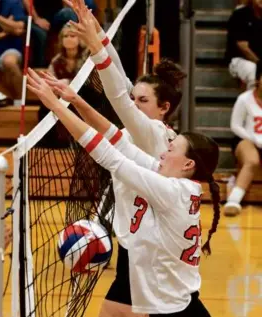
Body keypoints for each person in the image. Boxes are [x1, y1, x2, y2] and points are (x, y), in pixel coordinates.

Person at [27, 67, 220, 317]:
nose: (163, 152)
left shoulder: (171, 190)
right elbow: (117, 142)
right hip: (177, 302)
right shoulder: (174, 181)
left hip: (171, 309)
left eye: (171, 150)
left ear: (188, 164)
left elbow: (109, 156)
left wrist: (57, 107)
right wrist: (73, 100)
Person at [41, 1, 185, 316]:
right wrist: (97, 36)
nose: (135, 105)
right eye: (136, 98)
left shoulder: (153, 134)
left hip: (149, 252)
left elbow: (117, 93)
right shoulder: (140, 135)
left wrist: (95, 45)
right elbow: (116, 99)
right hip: (135, 246)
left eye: (143, 101)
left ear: (164, 108)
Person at [224, 61, 262, 216]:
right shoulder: (244, 99)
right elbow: (235, 126)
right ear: (258, 78)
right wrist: (255, 139)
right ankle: (233, 200)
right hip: (245, 139)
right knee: (252, 160)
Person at [23, 0, 96, 67]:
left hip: (55, 15)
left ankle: (80, 58)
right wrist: (37, 19)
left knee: (69, 13)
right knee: (41, 35)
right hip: (35, 18)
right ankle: (40, 68)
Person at [225, 0, 262, 89]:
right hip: (240, 60)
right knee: (253, 71)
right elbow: (243, 46)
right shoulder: (240, 15)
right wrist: (260, 63)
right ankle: (252, 101)